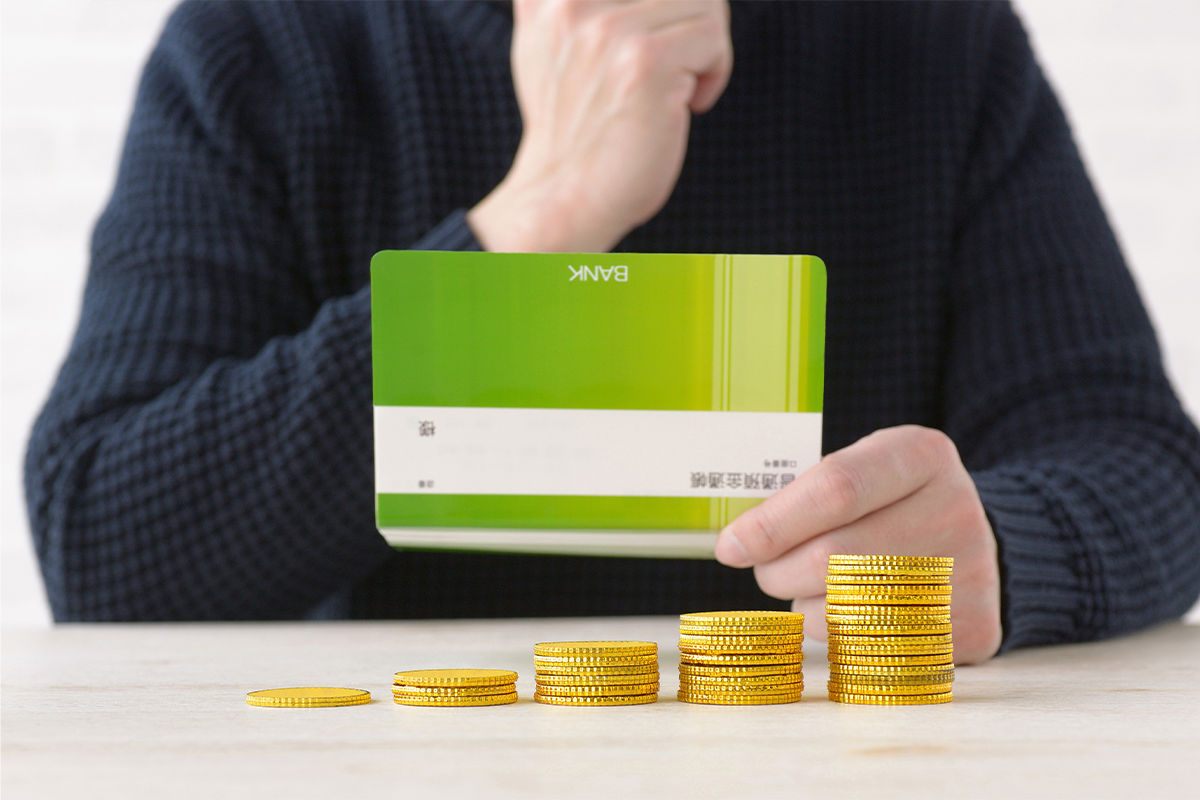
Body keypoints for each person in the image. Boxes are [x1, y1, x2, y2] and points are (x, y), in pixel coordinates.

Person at [24, 0, 1200, 664]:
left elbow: (1142, 461)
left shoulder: (933, 40)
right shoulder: (260, 48)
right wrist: (540, 215)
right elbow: (102, 540)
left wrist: (1002, 544)